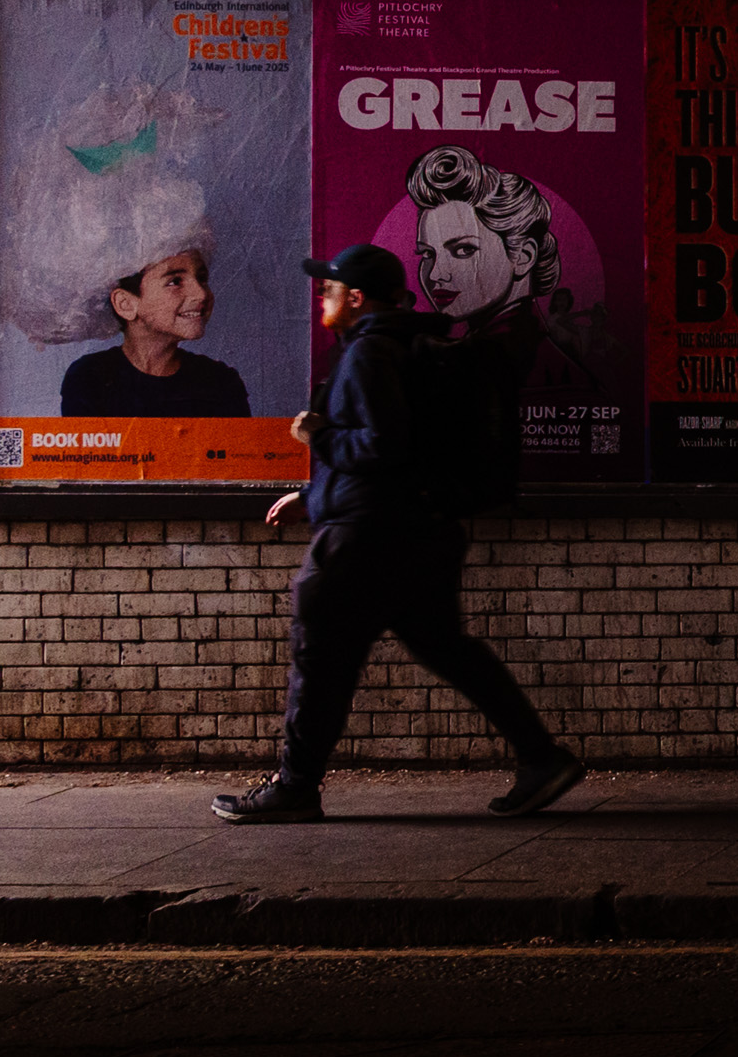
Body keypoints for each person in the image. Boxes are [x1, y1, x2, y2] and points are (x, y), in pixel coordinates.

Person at [212, 243, 582, 825]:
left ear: (355, 298)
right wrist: (312, 495)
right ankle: (541, 757)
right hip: (419, 531)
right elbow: (407, 449)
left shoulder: (367, 355)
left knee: (319, 656)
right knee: (448, 650)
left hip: (364, 540)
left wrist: (320, 438)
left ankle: (295, 786)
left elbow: (382, 446)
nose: (321, 297)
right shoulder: (412, 346)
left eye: (329, 289)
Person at [405, 144, 603, 395]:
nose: (435, 274)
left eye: (464, 250)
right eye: (428, 254)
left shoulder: (541, 373)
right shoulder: (481, 354)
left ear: (523, 255)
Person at [58, 247, 251, 417]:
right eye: (175, 281)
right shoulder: (91, 378)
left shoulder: (220, 383)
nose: (200, 293)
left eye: (201, 278)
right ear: (125, 304)